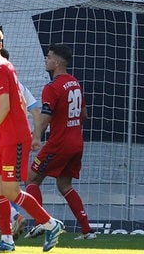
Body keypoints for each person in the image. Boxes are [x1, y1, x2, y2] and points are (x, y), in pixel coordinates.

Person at [0, 23, 63, 252]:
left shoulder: (1, 70)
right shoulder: (3, 67)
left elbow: (3, 108)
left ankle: (51, 224)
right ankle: (6, 240)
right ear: (0, 45)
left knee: (10, 190)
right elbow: (18, 104)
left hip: (11, 137)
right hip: (4, 136)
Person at [24, 44, 96, 240]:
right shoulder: (74, 82)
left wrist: (37, 137)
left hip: (59, 143)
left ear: (56, 62)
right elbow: (84, 115)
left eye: (48, 57)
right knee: (64, 185)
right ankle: (87, 230)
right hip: (76, 142)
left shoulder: (52, 87)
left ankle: (43, 223)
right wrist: (71, 127)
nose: (46, 60)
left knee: (31, 179)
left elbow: (46, 116)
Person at [0, 47, 41, 241]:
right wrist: (36, 136)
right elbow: (36, 111)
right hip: (19, 135)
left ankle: (17, 217)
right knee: (7, 184)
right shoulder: (18, 84)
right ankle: (11, 229)